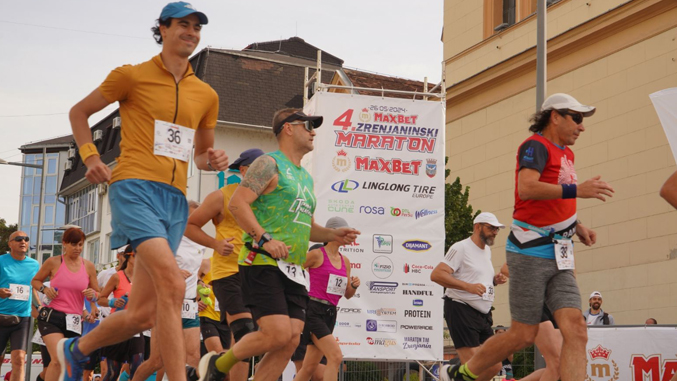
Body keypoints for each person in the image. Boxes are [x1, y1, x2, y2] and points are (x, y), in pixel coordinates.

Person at [61, 2, 229, 381]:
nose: (191, 32)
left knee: (143, 314)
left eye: (196, 27)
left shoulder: (206, 94)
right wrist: (90, 158)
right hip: (133, 187)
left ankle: (77, 349)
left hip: (174, 201)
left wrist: (212, 159)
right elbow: (78, 112)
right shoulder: (131, 76)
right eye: (182, 25)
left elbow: (201, 155)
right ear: (163, 29)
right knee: (173, 284)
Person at [444, 93, 614, 381]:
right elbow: (527, 188)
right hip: (529, 251)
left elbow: (556, 201)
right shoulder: (535, 145)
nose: (582, 126)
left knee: (576, 328)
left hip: (560, 252)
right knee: (522, 335)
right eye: (577, 118)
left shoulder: (567, 154)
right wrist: (578, 191)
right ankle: (464, 374)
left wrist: (577, 224)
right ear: (555, 116)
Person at [198, 108, 360, 381]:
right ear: (288, 128)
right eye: (308, 125)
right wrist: (264, 238)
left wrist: (333, 235)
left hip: (293, 269)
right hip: (262, 260)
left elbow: (305, 227)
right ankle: (218, 365)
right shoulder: (267, 164)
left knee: (289, 341)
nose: (313, 132)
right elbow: (238, 204)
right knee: (276, 333)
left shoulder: (305, 178)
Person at [185, 148, 265, 381]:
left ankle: (214, 369)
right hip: (228, 272)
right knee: (244, 332)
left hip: (259, 274)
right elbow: (190, 226)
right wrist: (216, 244)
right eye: (259, 167)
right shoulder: (221, 196)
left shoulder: (268, 201)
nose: (265, 173)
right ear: (244, 170)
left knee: (263, 339)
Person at [134, 201, 207, 381]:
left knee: (193, 358)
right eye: (191, 216)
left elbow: (193, 273)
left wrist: (199, 285)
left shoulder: (200, 243)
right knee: (157, 361)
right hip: (165, 303)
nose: (196, 220)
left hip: (189, 305)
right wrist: (172, 272)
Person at [431, 212, 507, 381]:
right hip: (461, 309)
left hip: (482, 315)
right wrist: (468, 287)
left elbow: (476, 279)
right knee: (474, 365)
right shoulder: (461, 247)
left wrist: (494, 281)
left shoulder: (487, 250)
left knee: (495, 365)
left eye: (497, 229)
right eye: (491, 228)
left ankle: (453, 374)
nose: (495, 232)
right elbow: (436, 275)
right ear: (477, 226)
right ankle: (453, 373)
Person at [295, 217, 360, 381]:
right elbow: (292, 271)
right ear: (333, 232)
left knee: (308, 367)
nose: (347, 237)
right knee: (335, 356)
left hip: (330, 313)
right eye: (344, 232)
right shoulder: (317, 254)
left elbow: (347, 294)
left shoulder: (345, 261)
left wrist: (354, 286)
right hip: (313, 311)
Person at [31, 228, 99, 381]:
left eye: (80, 245)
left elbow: (97, 293)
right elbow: (35, 281)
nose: (78, 248)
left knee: (67, 363)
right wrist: (45, 289)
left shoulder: (88, 266)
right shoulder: (54, 262)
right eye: (74, 244)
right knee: (57, 360)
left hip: (74, 321)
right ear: (64, 244)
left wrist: (93, 296)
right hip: (51, 317)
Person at [97, 248, 144, 381]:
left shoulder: (144, 277)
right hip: (118, 327)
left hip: (135, 327)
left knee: (137, 367)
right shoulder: (117, 276)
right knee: (113, 373)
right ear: (128, 257)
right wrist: (113, 302)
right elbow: (101, 299)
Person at [0, 231, 40, 381]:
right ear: (10, 243)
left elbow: (32, 289)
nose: (23, 241)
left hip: (22, 318)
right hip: (1, 315)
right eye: (18, 239)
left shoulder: (34, 264)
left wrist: (40, 307)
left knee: (19, 359)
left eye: (26, 239)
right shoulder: (1, 261)